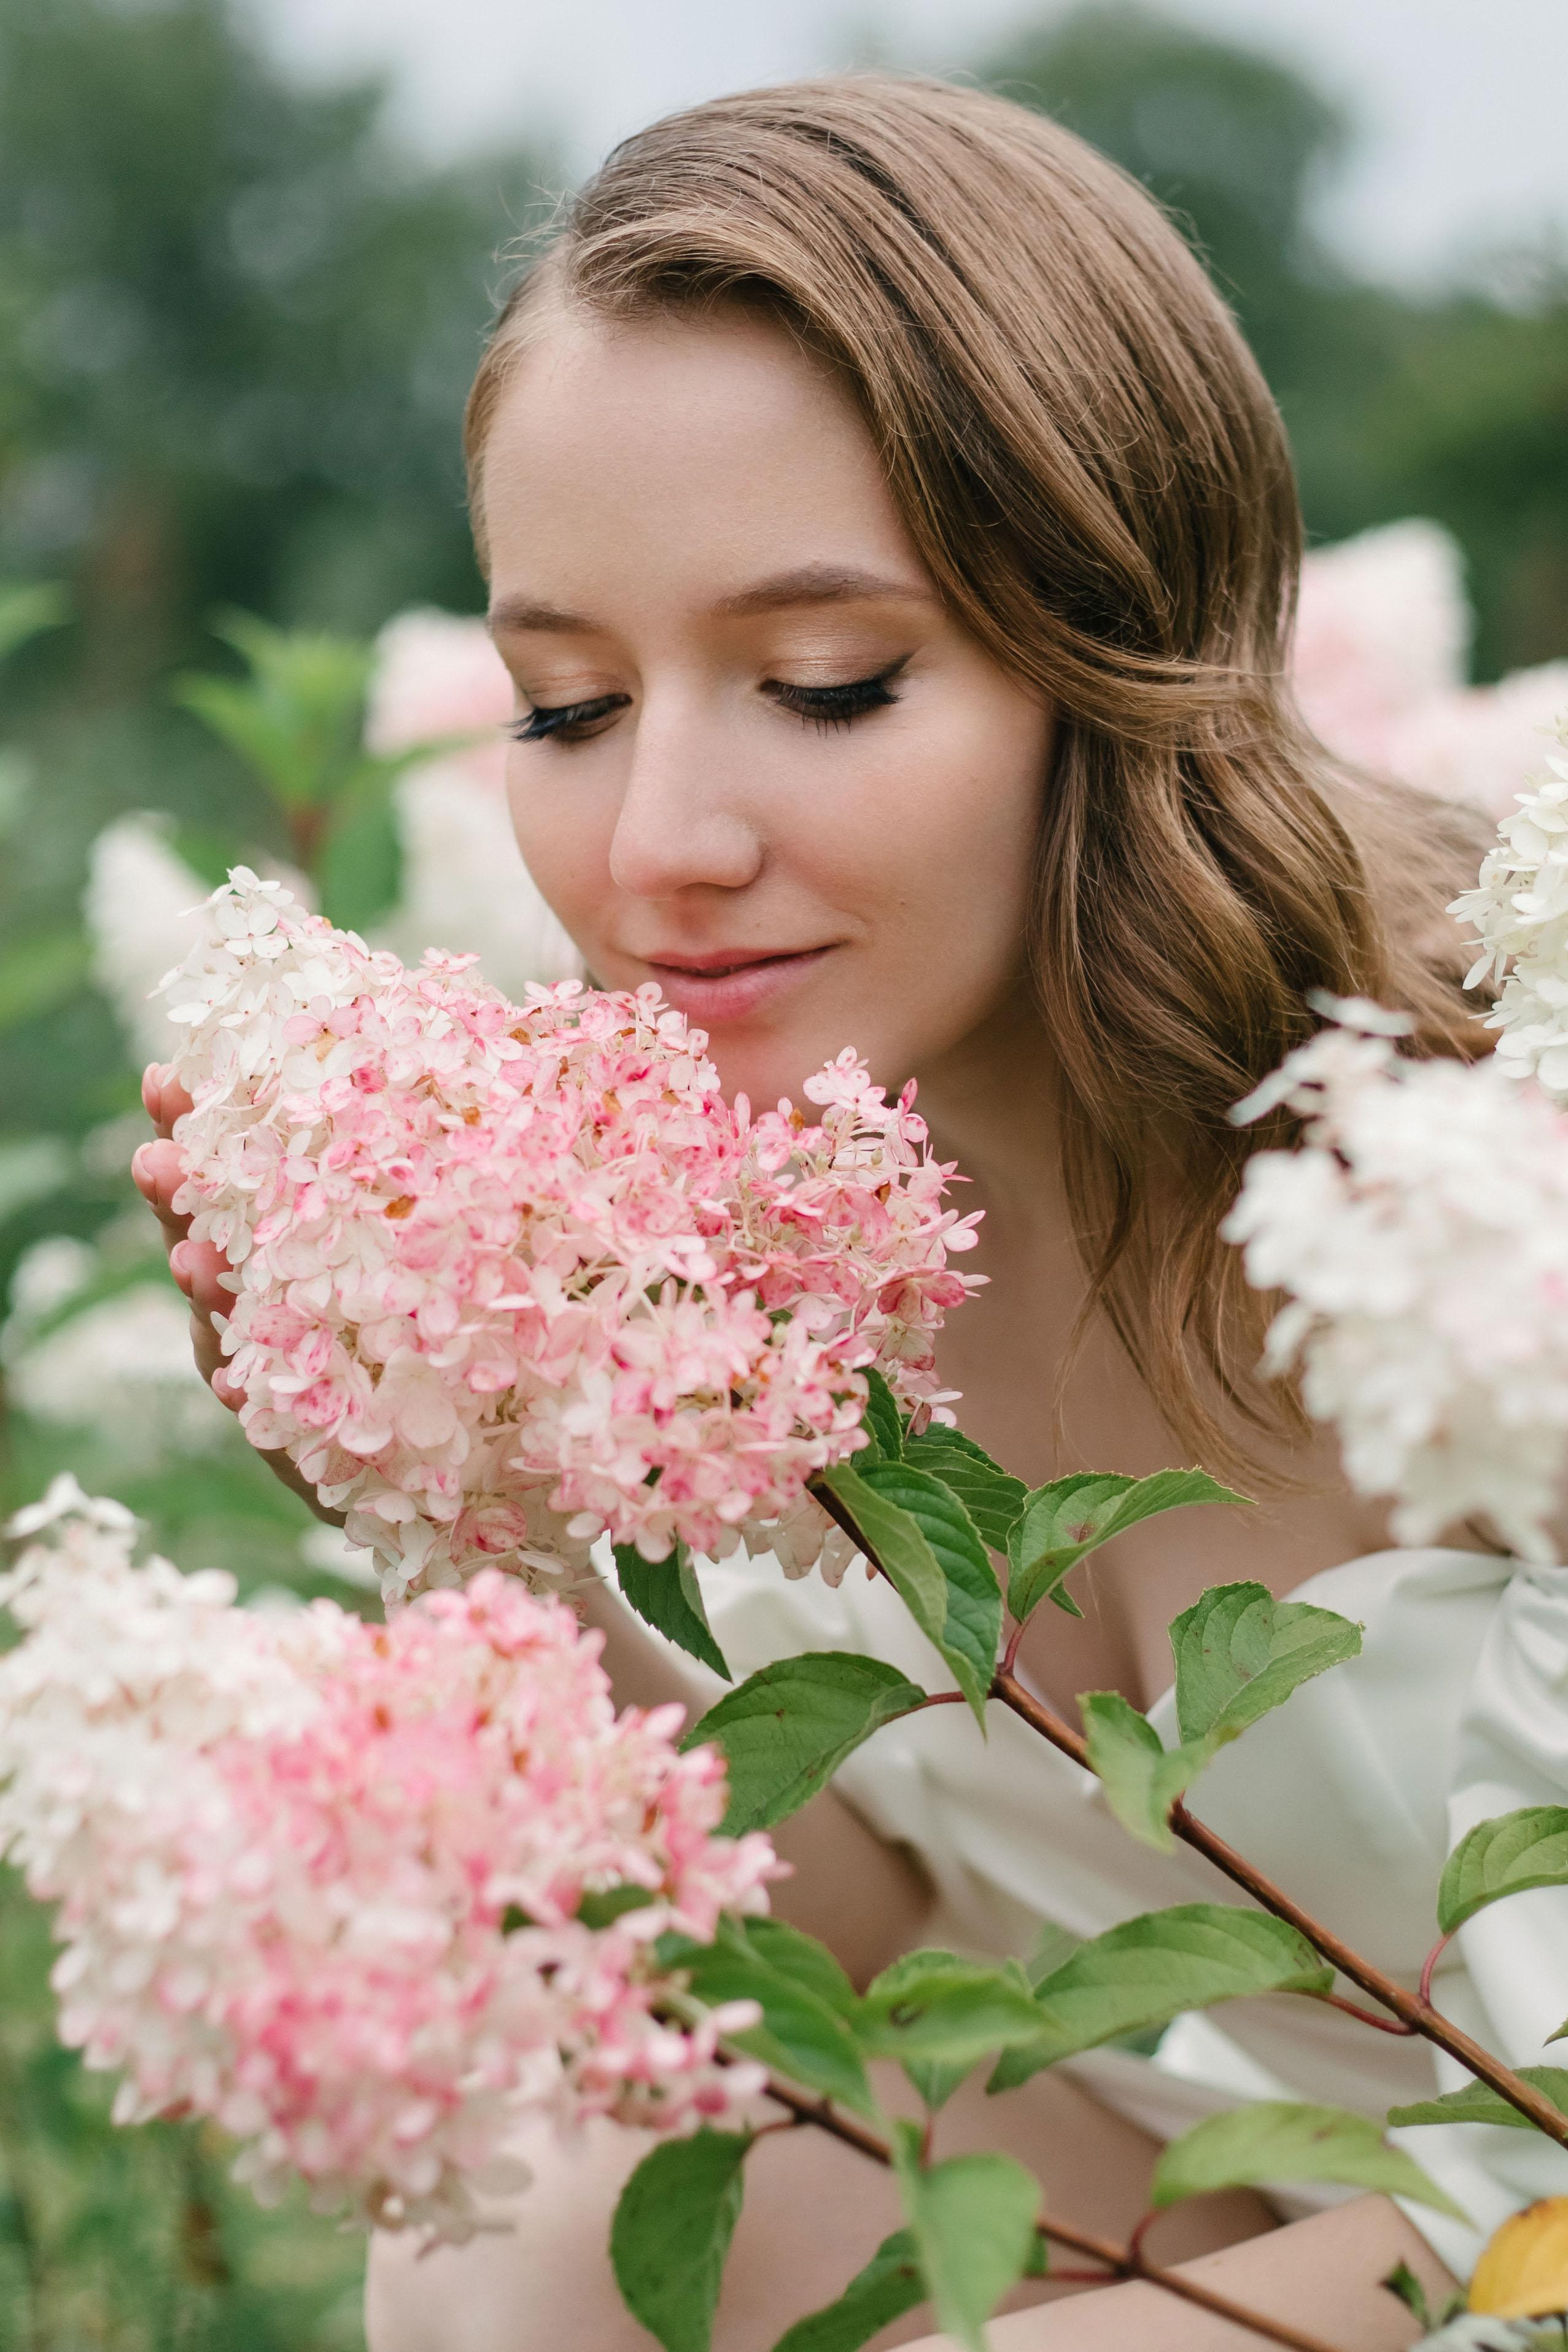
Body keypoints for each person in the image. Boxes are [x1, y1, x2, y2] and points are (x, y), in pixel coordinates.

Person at [133, 74, 1559, 2350]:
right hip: (1286, 2198)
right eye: (565, 704)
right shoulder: (690, 1235)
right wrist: (471, 1518)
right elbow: (868, 1964)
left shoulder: (1499, 1159)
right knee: (533, 2233)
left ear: (1115, 638)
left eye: (823, 682)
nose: (656, 844)